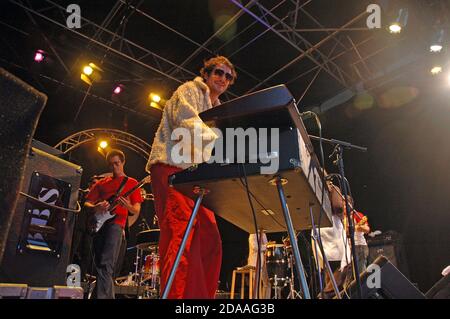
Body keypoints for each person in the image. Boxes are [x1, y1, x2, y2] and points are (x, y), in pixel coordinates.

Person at [146, 56, 237, 298]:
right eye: (218, 72)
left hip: (194, 175)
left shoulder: (215, 109)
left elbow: (209, 149)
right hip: (171, 167)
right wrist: (223, 142)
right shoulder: (189, 90)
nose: (223, 79)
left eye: (228, 76)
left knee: (209, 238)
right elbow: (185, 121)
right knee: (180, 234)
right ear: (206, 74)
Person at [85, 149, 143, 299]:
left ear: (123, 163)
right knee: (101, 267)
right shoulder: (101, 183)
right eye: (111, 165)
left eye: (117, 163)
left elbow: (136, 209)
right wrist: (96, 207)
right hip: (99, 225)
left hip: (117, 225)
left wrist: (127, 206)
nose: (114, 167)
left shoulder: (132, 183)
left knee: (106, 264)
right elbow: (86, 203)